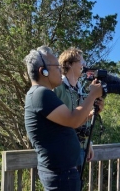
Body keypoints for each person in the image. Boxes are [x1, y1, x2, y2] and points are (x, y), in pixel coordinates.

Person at [23, 46, 103, 191]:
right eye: (56, 66)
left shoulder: (42, 94)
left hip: (63, 172)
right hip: (60, 174)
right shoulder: (41, 94)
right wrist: (92, 95)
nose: (60, 70)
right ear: (43, 71)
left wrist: (90, 113)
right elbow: (73, 119)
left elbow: (69, 123)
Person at [53, 47, 104, 167]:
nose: (84, 65)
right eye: (81, 62)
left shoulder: (80, 91)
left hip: (80, 148)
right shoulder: (57, 88)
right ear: (69, 64)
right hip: (62, 151)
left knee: (76, 185)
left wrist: (88, 143)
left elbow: (78, 120)